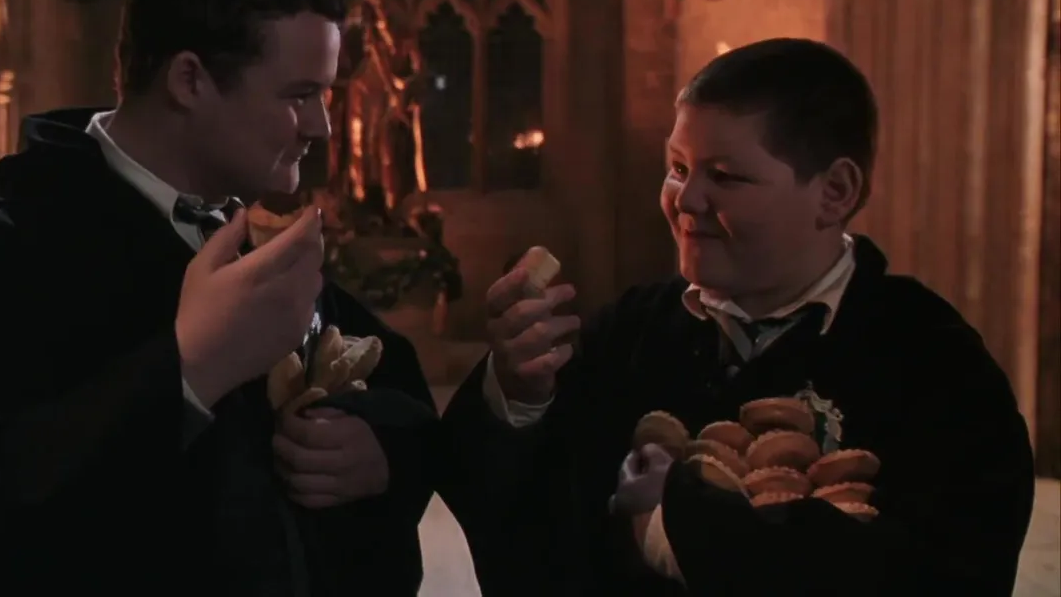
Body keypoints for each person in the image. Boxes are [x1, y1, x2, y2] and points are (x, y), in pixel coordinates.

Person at [0, 0, 439, 597]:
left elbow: (399, 394)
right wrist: (186, 372)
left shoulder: (242, 226)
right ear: (189, 79)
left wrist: (375, 449)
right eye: (298, 95)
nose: (322, 127)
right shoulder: (6, 242)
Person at [440, 38, 1036, 596]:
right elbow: (523, 526)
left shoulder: (933, 362)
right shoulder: (629, 331)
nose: (686, 200)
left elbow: (948, 571)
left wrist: (678, 523)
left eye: (724, 176)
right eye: (678, 168)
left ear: (835, 191)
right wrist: (517, 400)